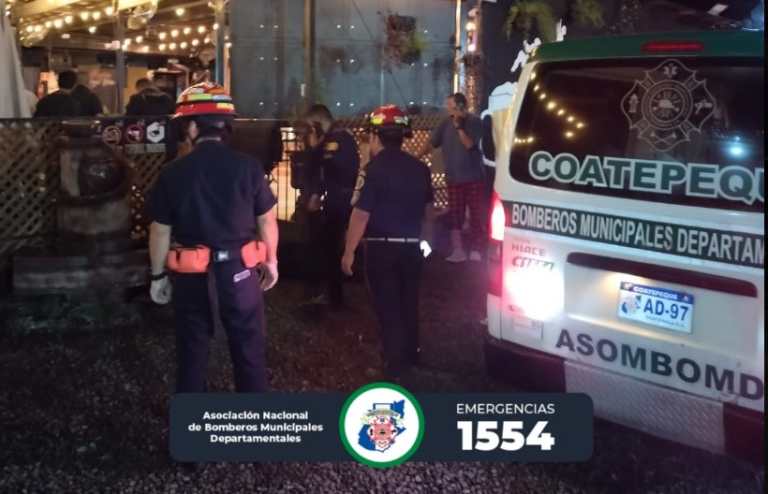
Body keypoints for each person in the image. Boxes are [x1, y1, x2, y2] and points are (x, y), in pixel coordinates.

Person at [146, 82, 279, 393]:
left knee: (192, 355)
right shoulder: (249, 168)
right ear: (225, 126)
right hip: (240, 273)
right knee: (249, 354)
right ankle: (255, 421)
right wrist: (271, 261)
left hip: (192, 277)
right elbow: (267, 220)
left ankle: (192, 422)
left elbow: (160, 230)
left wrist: (157, 276)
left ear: (191, 127)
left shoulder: (173, 173)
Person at [342, 104, 435, 379]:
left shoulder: (373, 170)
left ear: (375, 137)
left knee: (387, 306)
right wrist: (428, 241)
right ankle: (412, 354)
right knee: (409, 301)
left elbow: (360, 214)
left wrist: (348, 252)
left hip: (381, 248)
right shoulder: (420, 169)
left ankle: (395, 366)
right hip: (412, 247)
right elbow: (429, 212)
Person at [302, 104, 360, 309]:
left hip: (339, 201)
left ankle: (335, 298)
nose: (310, 130)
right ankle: (331, 295)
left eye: (312, 125)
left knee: (331, 248)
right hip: (334, 200)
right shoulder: (331, 139)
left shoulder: (338, 140)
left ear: (318, 122)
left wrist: (317, 148)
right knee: (328, 248)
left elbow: (334, 169)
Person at [419, 93, 485, 263]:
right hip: (454, 178)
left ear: (462, 106)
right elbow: (432, 143)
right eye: (448, 107)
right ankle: (458, 250)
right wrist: (416, 156)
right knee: (456, 215)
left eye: (453, 107)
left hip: (473, 177)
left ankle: (476, 249)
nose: (450, 110)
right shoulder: (445, 123)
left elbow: (469, 144)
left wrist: (459, 127)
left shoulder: (475, 122)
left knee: (476, 214)